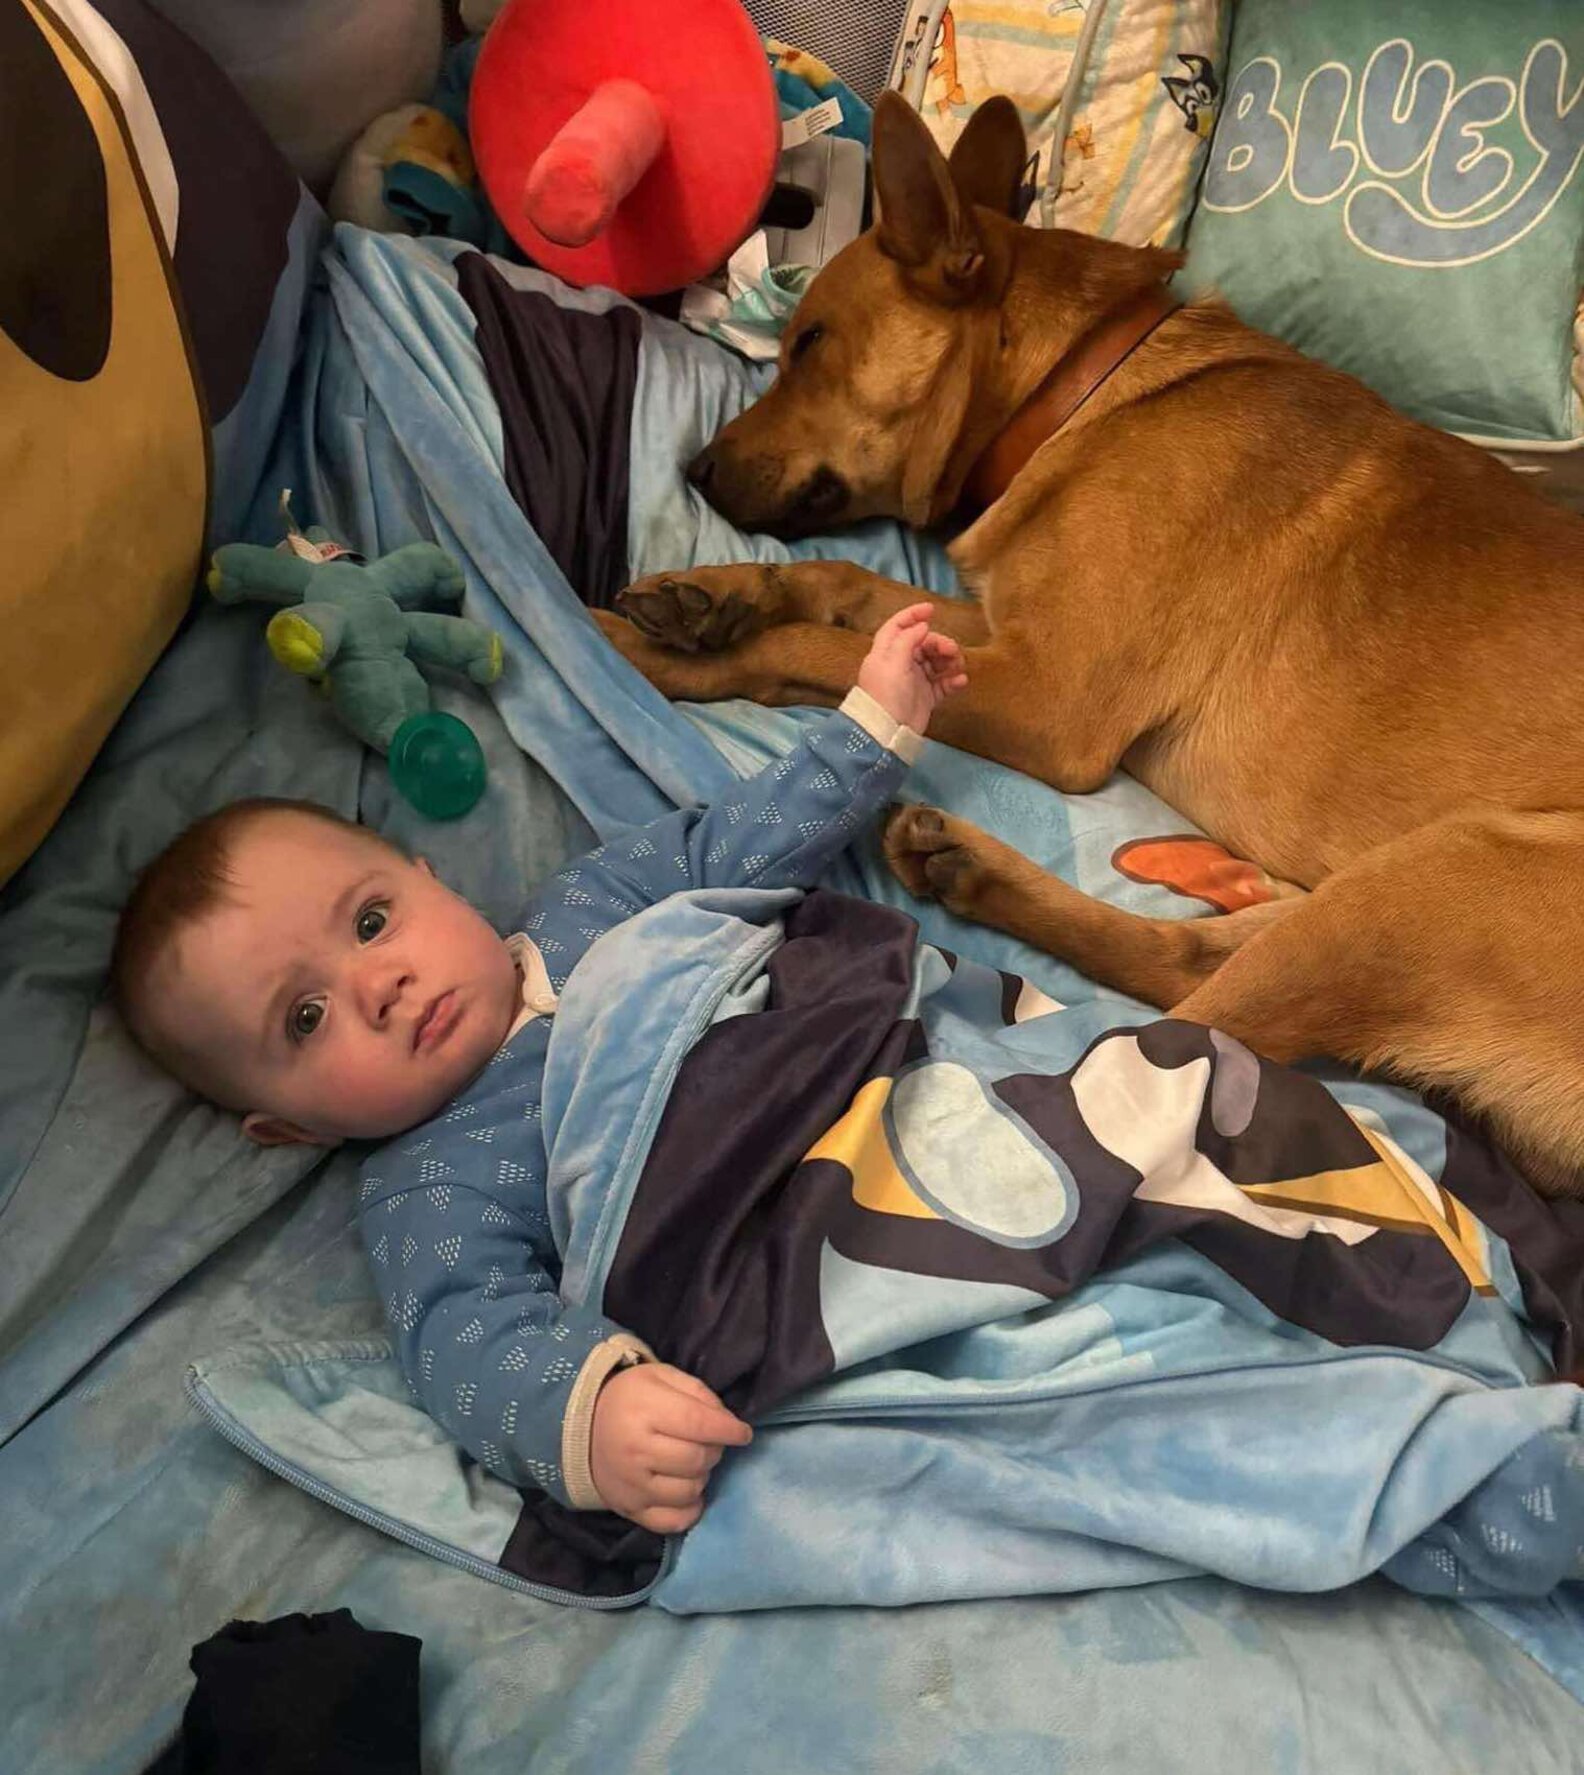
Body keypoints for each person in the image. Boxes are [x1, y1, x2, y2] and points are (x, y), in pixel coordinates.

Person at [112, 605, 966, 1533]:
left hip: (885, 1068)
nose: (379, 986)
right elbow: (466, 1341)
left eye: (371, 922)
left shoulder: (590, 900)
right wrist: (594, 1418)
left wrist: (871, 726)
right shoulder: (431, 1183)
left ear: (432, 881)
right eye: (305, 1017)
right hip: (792, 1238)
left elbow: (734, 840)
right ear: (293, 1127)